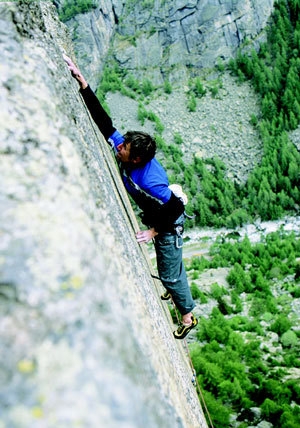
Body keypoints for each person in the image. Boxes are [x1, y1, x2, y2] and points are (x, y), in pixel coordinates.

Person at [63, 54, 197, 339]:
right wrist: (83, 83)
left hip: (169, 227)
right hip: (162, 219)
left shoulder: (149, 179)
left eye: (123, 148)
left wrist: (153, 231)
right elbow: (104, 123)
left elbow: (176, 206)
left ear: (135, 158)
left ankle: (187, 316)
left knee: (171, 274)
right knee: (173, 268)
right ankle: (175, 292)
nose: (118, 146)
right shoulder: (130, 153)